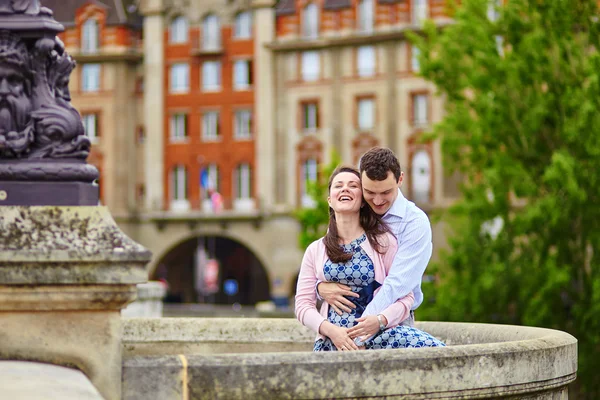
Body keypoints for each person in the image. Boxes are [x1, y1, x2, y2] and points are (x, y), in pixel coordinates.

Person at [295, 166, 444, 351]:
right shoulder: (316, 249)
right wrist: (333, 332)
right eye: (338, 185)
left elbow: (405, 296)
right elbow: (302, 305)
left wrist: (380, 321)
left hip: (380, 335)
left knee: (442, 353)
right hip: (333, 342)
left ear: (363, 201)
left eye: (353, 185)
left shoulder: (383, 243)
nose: (345, 189)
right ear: (330, 200)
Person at [317, 147, 432, 332]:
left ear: (400, 179)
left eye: (386, 192)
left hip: (392, 322)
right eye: (370, 192)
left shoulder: (415, 223)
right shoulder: (354, 208)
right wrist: (319, 287)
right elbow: (327, 256)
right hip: (343, 325)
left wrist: (359, 329)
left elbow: (397, 285)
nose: (377, 201)